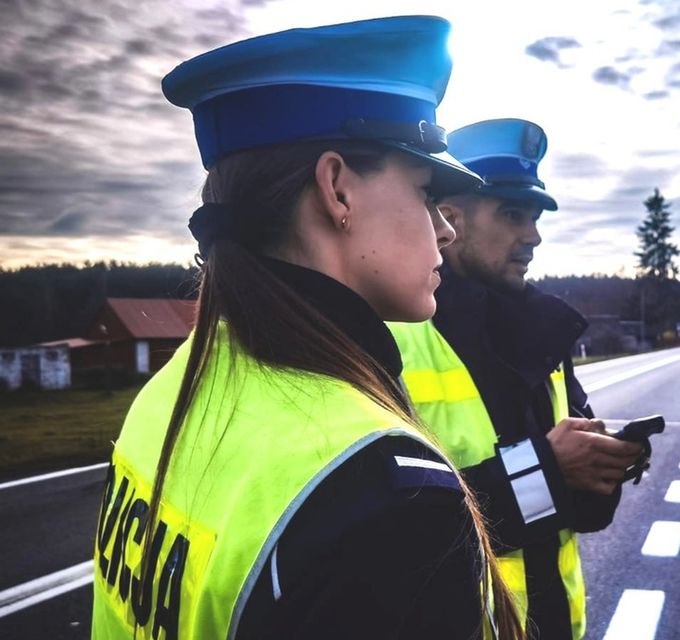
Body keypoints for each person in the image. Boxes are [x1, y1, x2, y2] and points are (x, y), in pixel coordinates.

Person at [90, 17, 524, 640]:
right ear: (337, 189)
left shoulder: (172, 387)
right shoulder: (388, 501)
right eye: (426, 193)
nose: (446, 229)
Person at [388, 119, 644, 640]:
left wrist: (604, 467)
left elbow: (580, 511)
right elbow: (396, 535)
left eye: (535, 217)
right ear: (451, 219)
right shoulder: (392, 338)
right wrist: (548, 469)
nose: (534, 236)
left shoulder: (546, 333)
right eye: (512, 215)